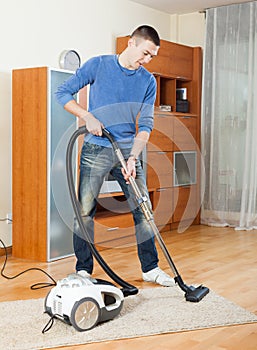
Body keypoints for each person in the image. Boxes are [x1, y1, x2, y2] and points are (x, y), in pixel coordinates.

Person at [56, 25, 174, 287]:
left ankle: (150, 268)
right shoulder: (98, 65)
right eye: (145, 53)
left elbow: (145, 125)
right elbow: (62, 93)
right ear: (131, 43)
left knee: (144, 209)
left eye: (151, 57)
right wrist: (87, 116)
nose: (146, 61)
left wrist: (133, 158)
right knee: (84, 212)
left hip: (127, 152)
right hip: (95, 149)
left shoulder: (147, 81)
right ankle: (84, 269)